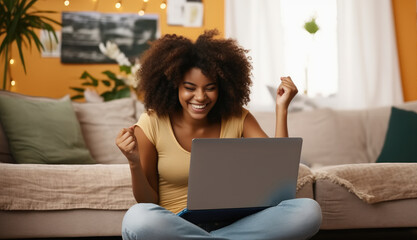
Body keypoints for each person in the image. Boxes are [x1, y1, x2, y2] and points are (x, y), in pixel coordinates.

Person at [116, 29, 322, 240]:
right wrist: (134, 162)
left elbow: (278, 177)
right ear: (174, 85)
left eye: (210, 88)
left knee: (308, 211)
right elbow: (147, 202)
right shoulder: (152, 123)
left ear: (221, 87)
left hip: (237, 223)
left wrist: (281, 109)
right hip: (177, 224)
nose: (200, 97)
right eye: (190, 88)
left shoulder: (238, 117)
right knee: (137, 218)